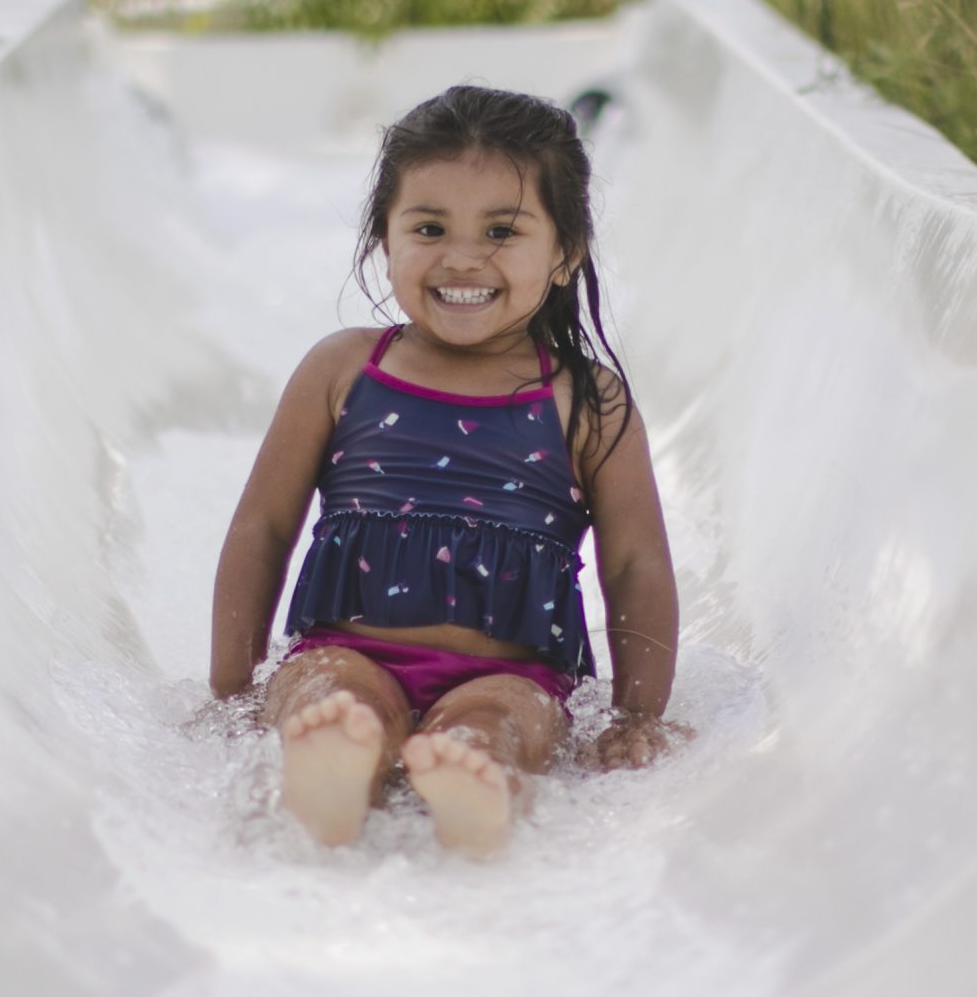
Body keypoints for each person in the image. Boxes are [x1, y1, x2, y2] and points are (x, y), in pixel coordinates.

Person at [208, 85, 684, 856]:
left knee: (500, 725)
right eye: (428, 227)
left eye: (502, 230)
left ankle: (476, 782)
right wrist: (231, 687)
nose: (462, 256)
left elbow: (635, 563)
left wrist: (639, 714)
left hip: (513, 673)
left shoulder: (586, 398)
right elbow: (263, 526)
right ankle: (338, 768)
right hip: (346, 647)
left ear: (564, 254)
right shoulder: (342, 370)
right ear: (383, 239)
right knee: (331, 697)